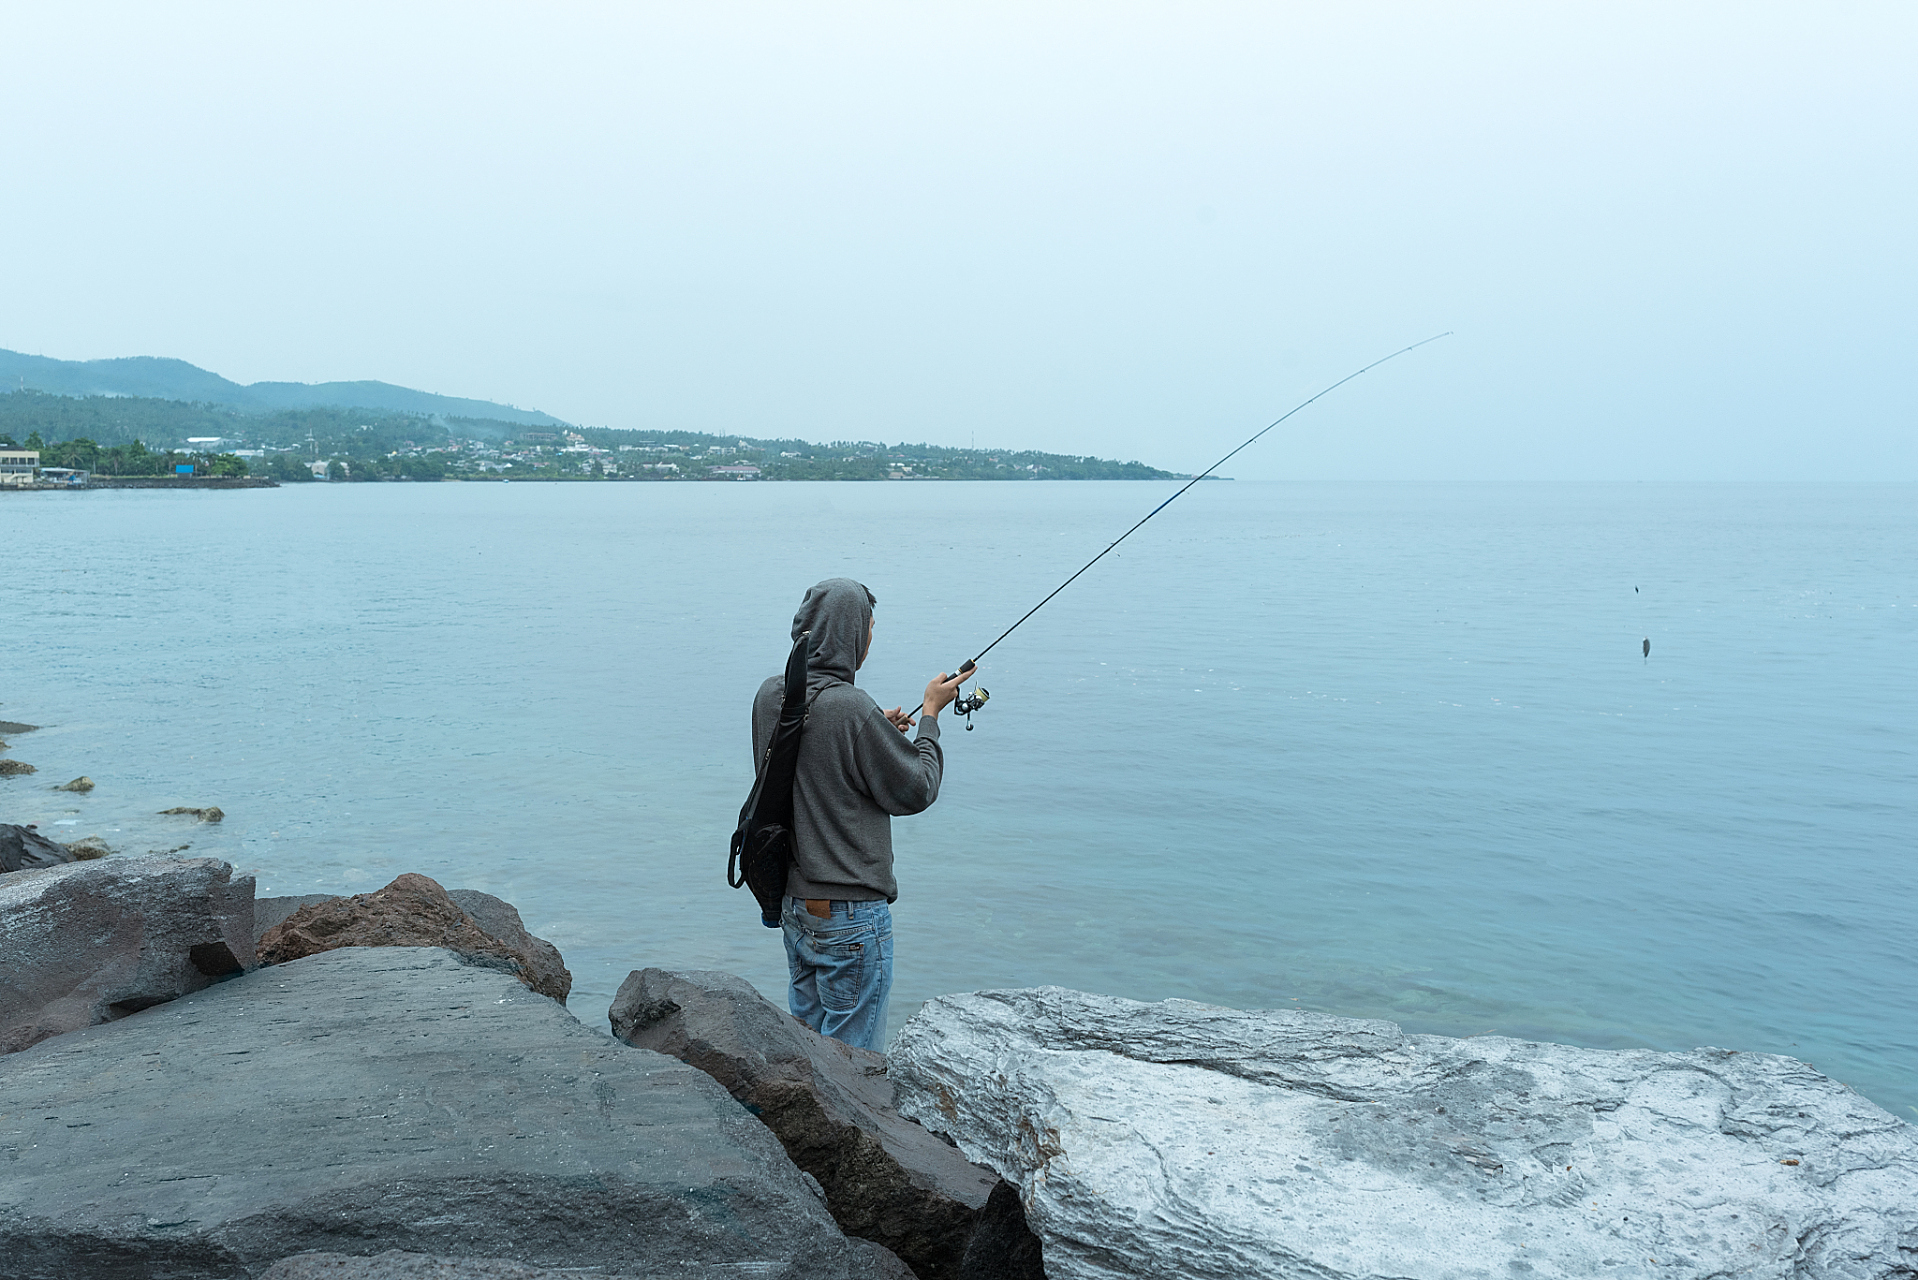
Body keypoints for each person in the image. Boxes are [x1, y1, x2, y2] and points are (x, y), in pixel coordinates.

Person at [751, 577, 972, 1050]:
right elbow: (917, 788)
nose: (869, 641)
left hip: (794, 907)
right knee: (855, 1070)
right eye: (868, 630)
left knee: (807, 1055)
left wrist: (875, 734)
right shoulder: (851, 710)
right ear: (853, 636)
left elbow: (803, 759)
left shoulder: (770, 697)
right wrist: (930, 716)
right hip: (850, 914)